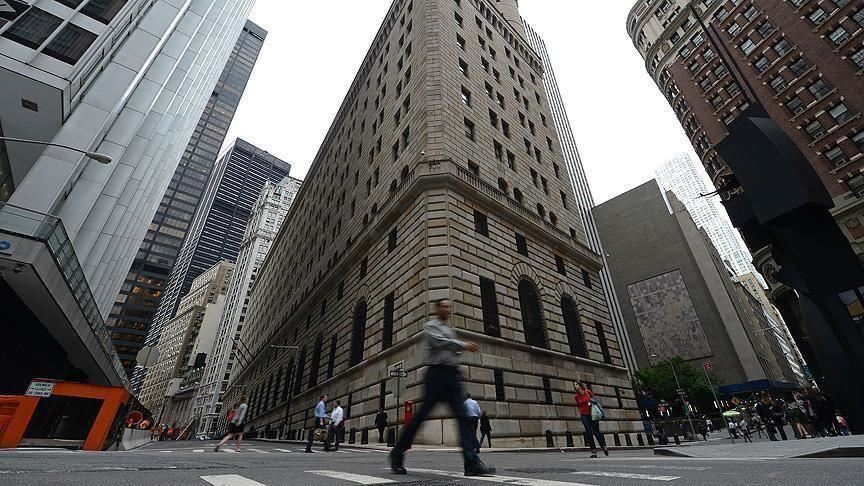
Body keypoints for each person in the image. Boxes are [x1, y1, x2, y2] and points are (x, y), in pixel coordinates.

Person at [389, 299, 495, 477]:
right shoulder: (430, 326)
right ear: (437, 309)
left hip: (452, 376)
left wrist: (457, 362)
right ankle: (397, 453)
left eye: (449, 307)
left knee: (464, 418)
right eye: (444, 306)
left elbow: (452, 351)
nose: (448, 309)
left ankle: (471, 463)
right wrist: (462, 345)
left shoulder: (450, 331)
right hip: (436, 376)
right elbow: (439, 342)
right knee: (420, 418)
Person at [574, 382, 608, 458]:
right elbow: (579, 405)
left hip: (593, 414)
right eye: (574, 385)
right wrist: (581, 412)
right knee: (589, 432)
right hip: (584, 415)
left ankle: (603, 446)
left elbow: (595, 401)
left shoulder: (588, 392)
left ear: (580, 385)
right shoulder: (576, 396)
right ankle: (594, 452)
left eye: (576, 384)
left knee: (596, 432)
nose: (575, 386)